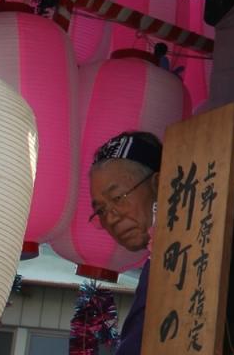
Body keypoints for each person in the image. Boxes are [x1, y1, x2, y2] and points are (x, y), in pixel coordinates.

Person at [89, 130, 162, 355]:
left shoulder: (180, 254)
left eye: (118, 198)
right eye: (100, 210)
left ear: (159, 184)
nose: (110, 217)